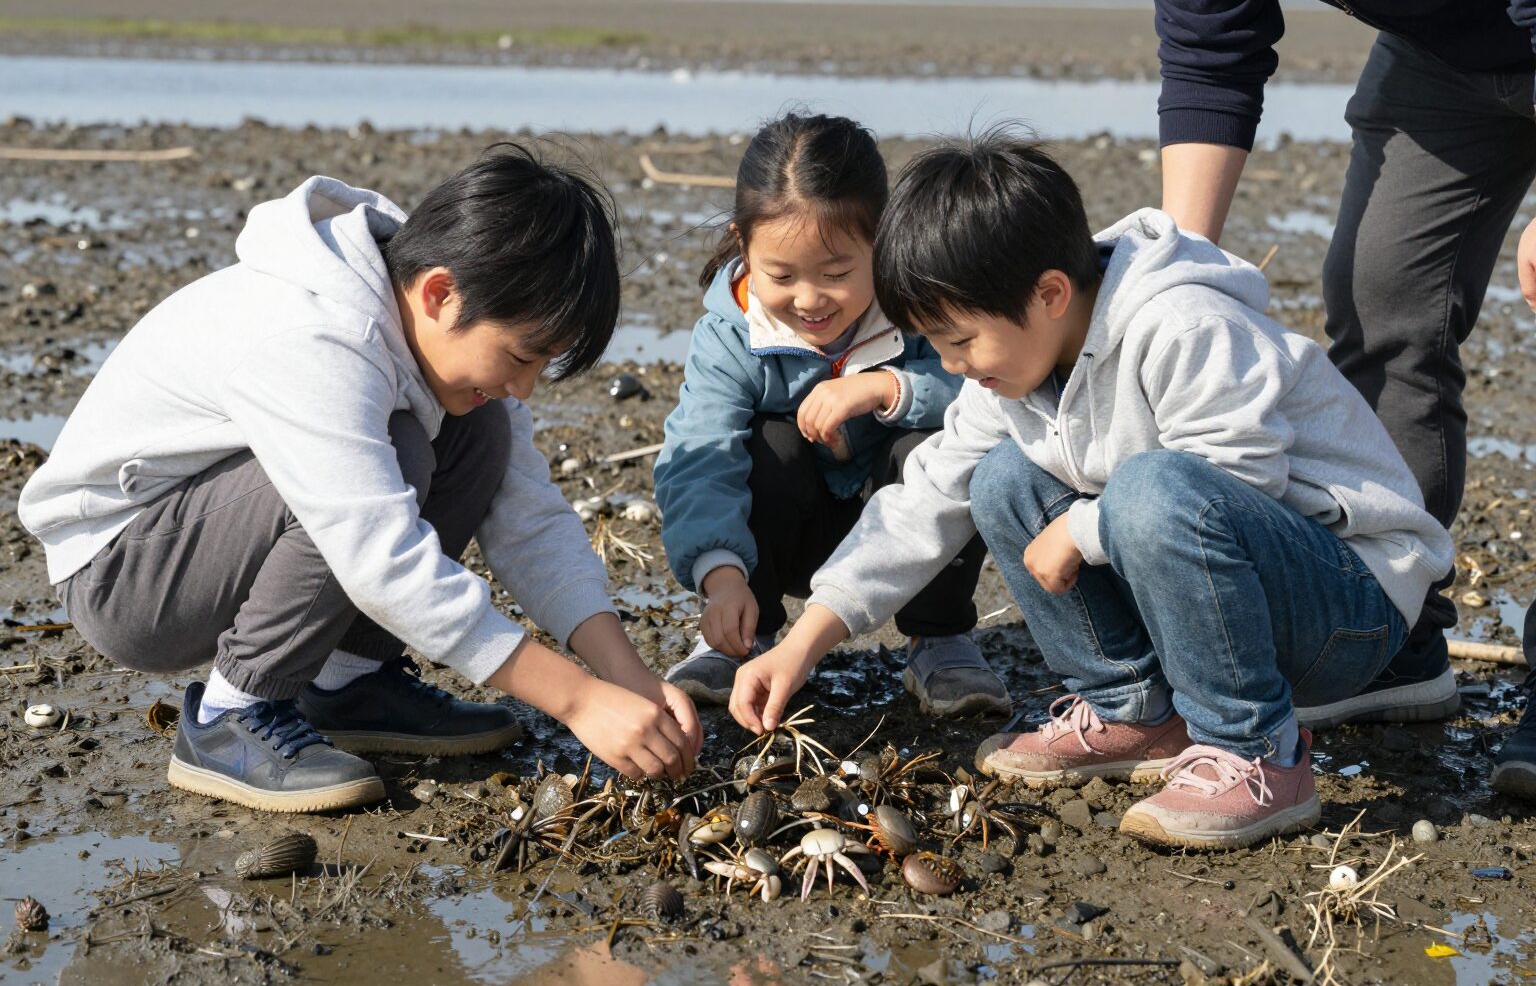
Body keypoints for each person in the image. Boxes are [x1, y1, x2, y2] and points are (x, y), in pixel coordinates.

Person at [1006, 0, 1536, 792]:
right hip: (1454, 46)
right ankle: (1391, 640)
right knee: (1379, 306)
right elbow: (1212, 44)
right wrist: (1158, 295)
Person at [730, 135, 1453, 849]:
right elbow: (926, 495)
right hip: (1226, 592)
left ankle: (1258, 753)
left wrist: (1083, 531)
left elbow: (1234, 479)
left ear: (1049, 293)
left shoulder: (1182, 325)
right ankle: (1133, 710)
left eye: (960, 342)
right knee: (1001, 478)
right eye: (937, 345)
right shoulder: (1011, 363)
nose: (951, 365)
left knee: (1150, 486)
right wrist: (805, 641)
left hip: (1350, 608)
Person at [18, 146, 701, 812]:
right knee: (396, 452)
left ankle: (349, 683)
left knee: (478, 428)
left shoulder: (428, 324)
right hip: (124, 575)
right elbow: (378, 555)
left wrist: (626, 675)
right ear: (440, 291)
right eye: (520, 356)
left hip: (204, 533)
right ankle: (233, 712)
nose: (524, 386)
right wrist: (576, 699)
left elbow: (529, 516)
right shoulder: (318, 337)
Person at [654, 112, 1008, 719]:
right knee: (768, 441)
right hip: (789, 542)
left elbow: (988, 390)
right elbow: (697, 455)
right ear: (744, 246)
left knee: (935, 443)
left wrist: (887, 387)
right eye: (781, 275)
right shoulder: (729, 334)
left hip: (907, 534)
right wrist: (719, 576)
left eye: (838, 273)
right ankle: (747, 636)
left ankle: (941, 640)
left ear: (884, 242)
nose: (810, 299)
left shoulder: (921, 305)